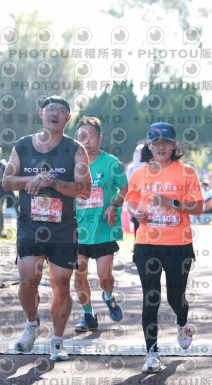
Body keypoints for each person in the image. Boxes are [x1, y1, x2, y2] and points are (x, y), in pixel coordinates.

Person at [2, 95, 91, 362]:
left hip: (63, 227)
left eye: (61, 111)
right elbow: (7, 182)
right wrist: (35, 178)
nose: (54, 114)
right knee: (28, 280)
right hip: (30, 224)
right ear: (41, 114)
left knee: (61, 283)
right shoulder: (22, 146)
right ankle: (31, 324)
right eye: (50, 109)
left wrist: (53, 182)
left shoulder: (75, 149)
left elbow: (85, 189)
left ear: (68, 118)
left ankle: (57, 341)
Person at [125, 122, 203, 374]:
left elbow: (198, 207)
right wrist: (135, 213)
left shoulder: (187, 172)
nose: (161, 147)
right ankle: (152, 352)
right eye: (156, 143)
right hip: (147, 243)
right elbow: (131, 202)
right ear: (149, 146)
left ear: (174, 145)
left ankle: (182, 321)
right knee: (151, 297)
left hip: (178, 244)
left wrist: (173, 203)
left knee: (175, 298)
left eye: (166, 143)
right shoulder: (139, 174)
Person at [73, 116, 128, 332]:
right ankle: (88, 315)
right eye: (82, 136)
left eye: (91, 136)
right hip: (77, 230)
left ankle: (108, 295)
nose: (86, 141)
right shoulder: (71, 164)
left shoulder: (112, 163)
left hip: (104, 228)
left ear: (100, 138)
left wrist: (114, 205)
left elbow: (124, 189)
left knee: (104, 276)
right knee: (79, 276)